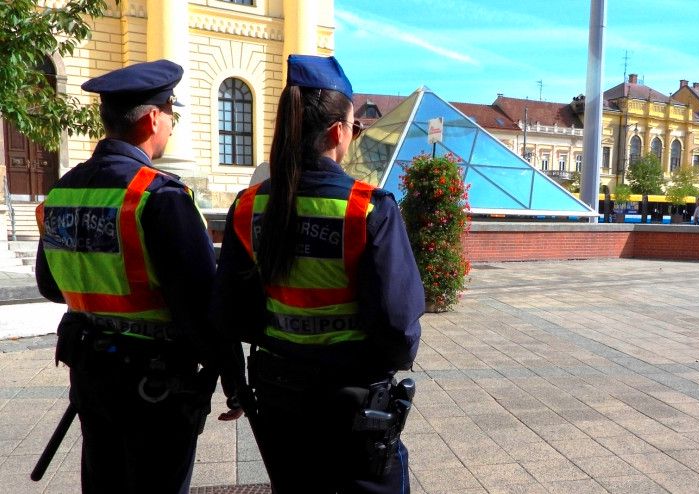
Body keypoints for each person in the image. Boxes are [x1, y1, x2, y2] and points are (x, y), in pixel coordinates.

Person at [211, 54, 424, 494]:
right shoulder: (367, 207)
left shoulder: (249, 206)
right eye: (355, 126)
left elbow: (230, 314)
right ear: (337, 131)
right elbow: (398, 325)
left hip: (278, 395)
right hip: (353, 401)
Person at [35, 60, 223, 494]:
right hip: (154, 384)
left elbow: (49, 284)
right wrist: (226, 370)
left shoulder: (64, 189)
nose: (171, 125)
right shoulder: (159, 196)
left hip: (90, 371)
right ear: (153, 118)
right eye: (171, 114)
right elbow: (198, 305)